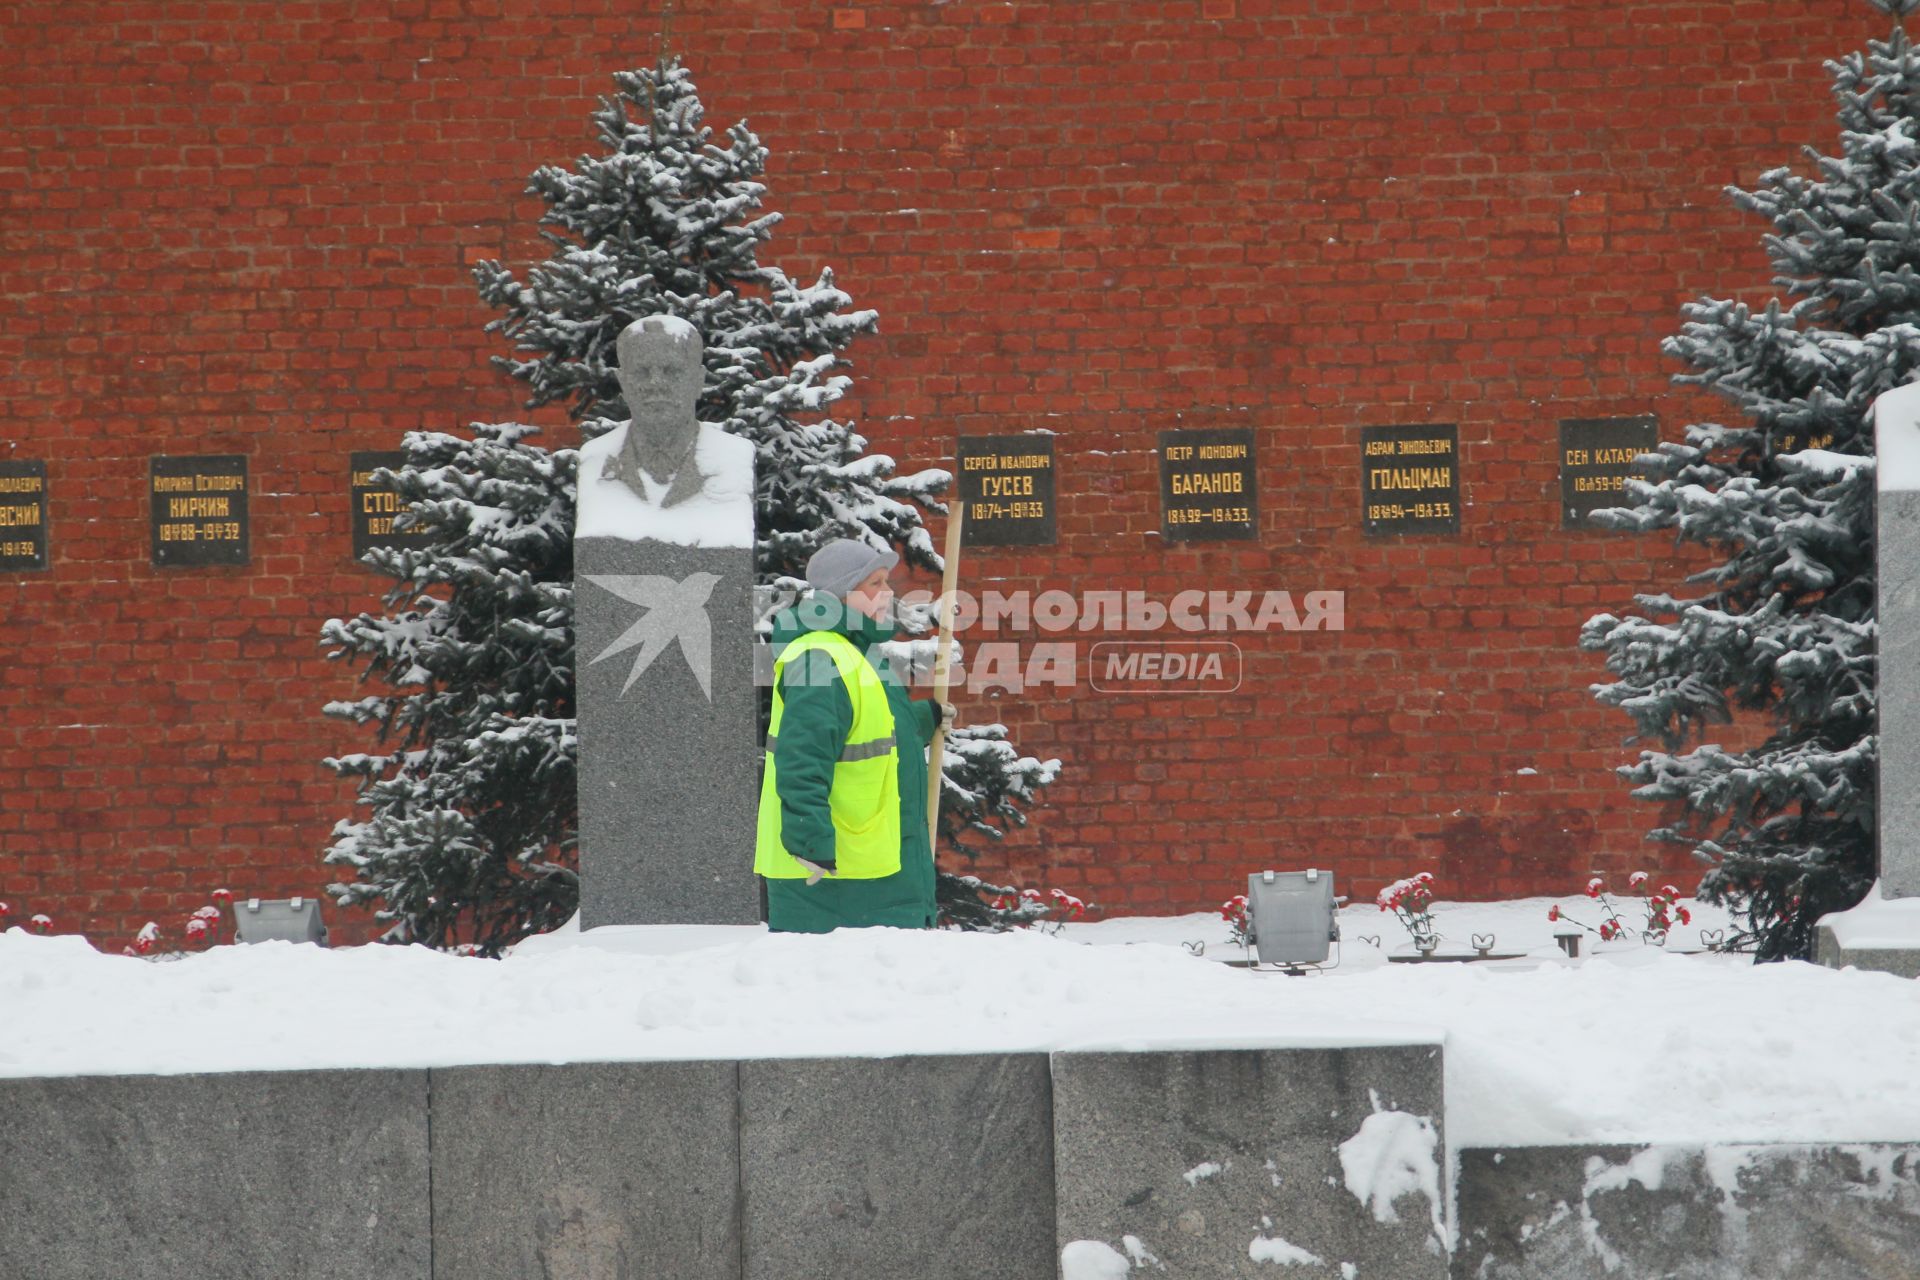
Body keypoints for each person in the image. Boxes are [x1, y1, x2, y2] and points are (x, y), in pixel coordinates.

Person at [755, 538, 956, 933]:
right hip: (834, 882)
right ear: (840, 595)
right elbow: (802, 759)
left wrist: (923, 718)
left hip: (869, 876)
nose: (888, 593)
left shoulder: (857, 653)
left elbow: (868, 730)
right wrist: (810, 844)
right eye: (874, 584)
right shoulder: (819, 658)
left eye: (886, 582)